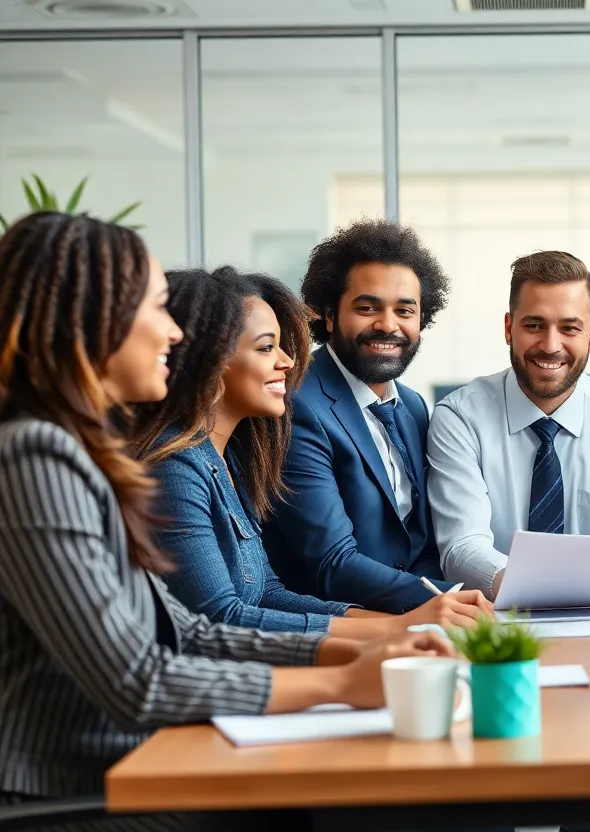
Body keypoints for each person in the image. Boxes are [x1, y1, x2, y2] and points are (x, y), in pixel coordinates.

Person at [0, 213, 449, 830]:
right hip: (76, 790)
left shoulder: (86, 455)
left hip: (139, 765)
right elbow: (138, 679)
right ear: (89, 319)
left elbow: (187, 632)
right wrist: (342, 682)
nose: (174, 332)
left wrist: (366, 648)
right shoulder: (36, 456)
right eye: (154, 308)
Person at [129, 266, 485, 634]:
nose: (287, 361)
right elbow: (221, 617)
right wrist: (393, 630)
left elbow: (267, 593)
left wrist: (404, 624)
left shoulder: (228, 459)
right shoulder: (173, 466)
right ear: (208, 358)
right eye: (266, 347)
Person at [262, 220, 490, 622]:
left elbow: (423, 542)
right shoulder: (297, 404)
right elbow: (331, 562)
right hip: (337, 627)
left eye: (404, 310)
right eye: (367, 308)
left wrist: (441, 604)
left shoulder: (413, 407)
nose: (388, 324)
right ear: (329, 315)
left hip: (418, 622)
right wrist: (441, 599)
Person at [427, 250, 590, 597]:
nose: (551, 346)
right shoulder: (460, 418)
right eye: (534, 326)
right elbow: (461, 547)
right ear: (509, 328)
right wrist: (534, 589)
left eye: (569, 328)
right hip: (497, 614)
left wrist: (560, 589)